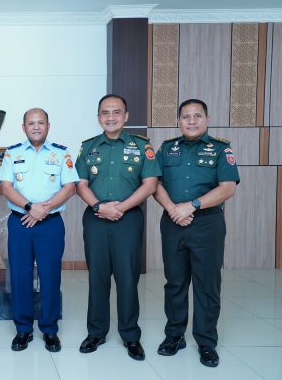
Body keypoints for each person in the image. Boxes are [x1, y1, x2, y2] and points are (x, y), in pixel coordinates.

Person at [153, 99, 239, 367]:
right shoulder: (167, 149)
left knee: (207, 284)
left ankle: (206, 342)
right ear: (178, 121)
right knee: (175, 282)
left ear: (207, 119)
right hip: (173, 223)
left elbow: (228, 188)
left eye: (197, 116)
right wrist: (173, 209)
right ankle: (174, 336)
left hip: (207, 224)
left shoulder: (221, 149)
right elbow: (154, 183)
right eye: (186, 116)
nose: (191, 121)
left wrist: (191, 206)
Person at [75, 94, 160, 361]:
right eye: (105, 112)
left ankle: (130, 335)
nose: (110, 117)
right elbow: (80, 184)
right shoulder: (88, 147)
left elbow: (150, 184)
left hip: (128, 219)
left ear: (126, 116)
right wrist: (99, 206)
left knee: (127, 278)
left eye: (116, 112)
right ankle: (96, 333)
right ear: (98, 117)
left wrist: (120, 208)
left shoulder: (142, 146)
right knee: (97, 277)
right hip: (96, 219)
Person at [0, 108, 77, 352]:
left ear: (48, 126)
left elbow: (70, 187)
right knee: (20, 275)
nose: (35, 127)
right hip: (20, 222)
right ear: (23, 127)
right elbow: (6, 187)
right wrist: (30, 208)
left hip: (50, 223)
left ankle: (50, 329)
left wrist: (44, 209)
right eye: (31, 123)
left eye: (40, 123)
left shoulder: (61, 153)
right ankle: (23, 329)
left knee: (50, 275)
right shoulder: (12, 153)